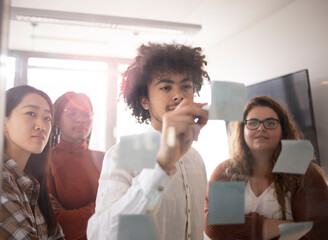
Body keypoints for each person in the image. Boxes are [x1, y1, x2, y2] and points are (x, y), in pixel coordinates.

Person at [87, 42, 210, 240]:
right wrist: (162, 166)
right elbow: (100, 235)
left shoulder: (196, 159)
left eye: (186, 86)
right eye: (166, 87)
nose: (178, 95)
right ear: (144, 101)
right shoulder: (122, 154)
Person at [205, 95, 328, 240]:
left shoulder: (305, 174)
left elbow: (316, 233)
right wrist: (287, 227)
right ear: (242, 129)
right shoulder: (226, 172)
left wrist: (239, 229)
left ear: (283, 130)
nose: (261, 128)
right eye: (253, 123)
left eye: (270, 123)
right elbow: (214, 227)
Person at [0, 85, 64, 239]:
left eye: (47, 118)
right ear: (3, 122)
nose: (41, 126)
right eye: (31, 113)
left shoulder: (32, 183)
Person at [47, 92, 104, 240]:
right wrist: (101, 207)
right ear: (57, 119)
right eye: (72, 113)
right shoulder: (46, 162)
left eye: (86, 115)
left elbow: (123, 209)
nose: (81, 120)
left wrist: (72, 214)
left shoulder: (107, 158)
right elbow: (57, 224)